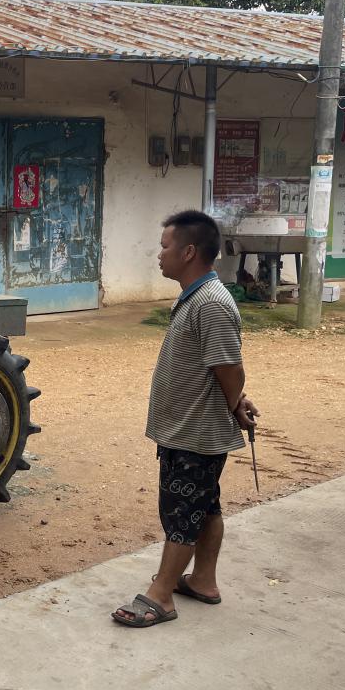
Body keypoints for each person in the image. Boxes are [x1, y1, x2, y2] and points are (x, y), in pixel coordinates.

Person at [113, 210, 259, 628]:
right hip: (190, 429)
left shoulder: (211, 303)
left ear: (188, 251)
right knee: (205, 507)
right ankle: (203, 582)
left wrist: (236, 402)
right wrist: (236, 400)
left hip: (196, 435)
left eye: (164, 247)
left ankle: (161, 595)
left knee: (181, 512)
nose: (158, 255)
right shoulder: (196, 296)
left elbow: (229, 366)